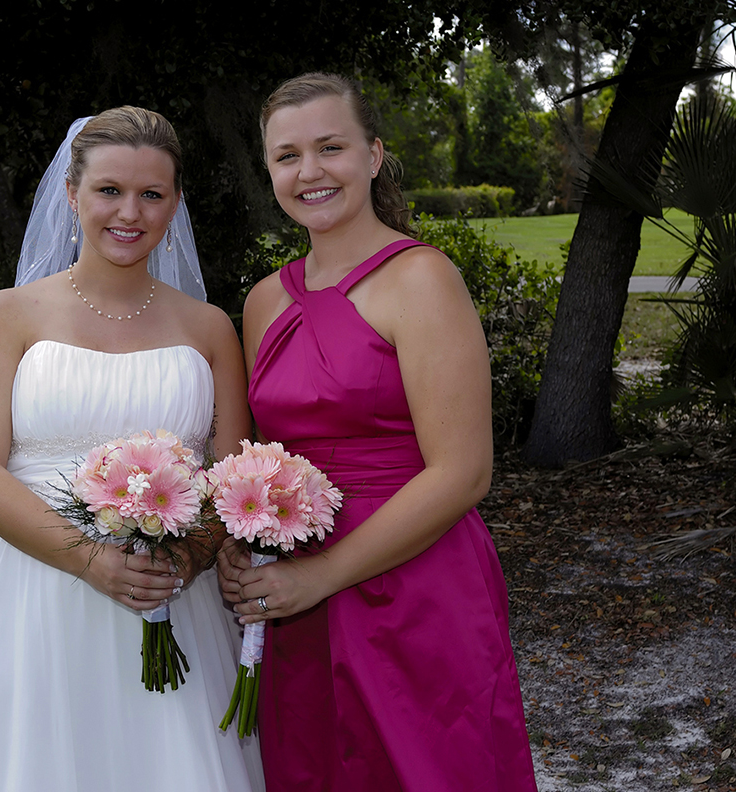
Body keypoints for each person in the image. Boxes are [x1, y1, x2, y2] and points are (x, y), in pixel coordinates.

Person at [217, 73, 537, 791]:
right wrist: (238, 549)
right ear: (268, 170)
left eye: (330, 147)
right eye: (287, 156)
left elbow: (462, 471)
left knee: (429, 767)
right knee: (311, 767)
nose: (309, 172)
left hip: (413, 575)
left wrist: (320, 577)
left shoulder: (421, 280)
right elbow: (254, 455)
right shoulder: (264, 300)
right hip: (292, 582)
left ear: (372, 155)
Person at [0, 107, 263, 792]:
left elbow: (233, 476)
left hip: (173, 593)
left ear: (175, 202)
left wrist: (186, 557)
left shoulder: (209, 328)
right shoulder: (9, 314)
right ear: (71, 193)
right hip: (42, 586)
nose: (130, 212)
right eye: (108, 191)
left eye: (152, 194)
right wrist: (90, 559)